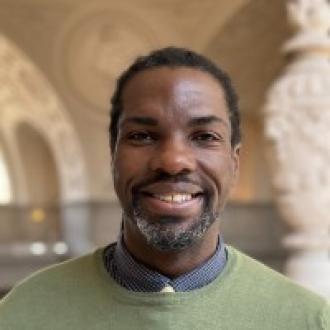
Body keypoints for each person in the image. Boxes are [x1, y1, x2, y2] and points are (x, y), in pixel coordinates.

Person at [0, 47, 329, 330]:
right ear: (113, 155)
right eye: (142, 136)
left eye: (204, 137)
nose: (173, 162)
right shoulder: (23, 314)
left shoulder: (307, 320)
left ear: (234, 163)